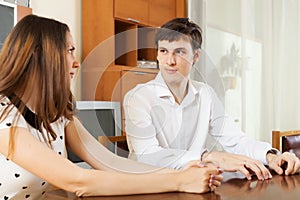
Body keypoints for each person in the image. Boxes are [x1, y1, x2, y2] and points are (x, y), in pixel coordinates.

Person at [0, 15, 224, 199]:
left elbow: (111, 162)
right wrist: (179, 181)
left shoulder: (59, 117)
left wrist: (185, 172)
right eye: (69, 51)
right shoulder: (3, 113)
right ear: (41, 55)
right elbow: (78, 181)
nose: (76, 62)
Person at [124, 17, 300, 181]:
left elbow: (235, 140)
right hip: (153, 186)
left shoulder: (205, 94)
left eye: (179, 52)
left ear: (196, 56)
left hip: (198, 185)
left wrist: (271, 157)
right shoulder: (137, 98)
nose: (170, 61)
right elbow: (147, 155)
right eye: (163, 51)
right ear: (157, 54)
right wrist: (208, 157)